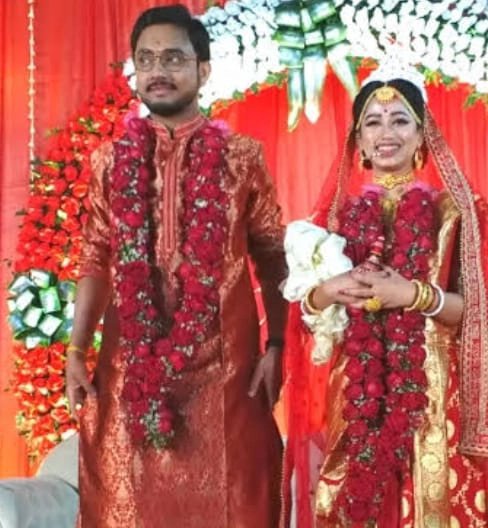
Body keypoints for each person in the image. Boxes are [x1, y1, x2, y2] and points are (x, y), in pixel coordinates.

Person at [65, 5, 287, 527]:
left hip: (226, 375)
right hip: (129, 370)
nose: (157, 71)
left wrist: (278, 345)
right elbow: (95, 256)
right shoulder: (109, 160)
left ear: (202, 70)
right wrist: (76, 350)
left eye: (172, 58)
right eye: (145, 60)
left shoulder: (242, 157)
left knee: (235, 506)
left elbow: (275, 260)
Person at [281, 54, 488, 527]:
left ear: (422, 134)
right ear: (359, 141)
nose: (386, 132)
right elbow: (305, 312)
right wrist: (327, 290)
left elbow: (479, 310)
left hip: (434, 389)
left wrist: (414, 296)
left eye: (400, 120)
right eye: (372, 122)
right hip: (357, 387)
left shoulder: (458, 213)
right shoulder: (332, 222)